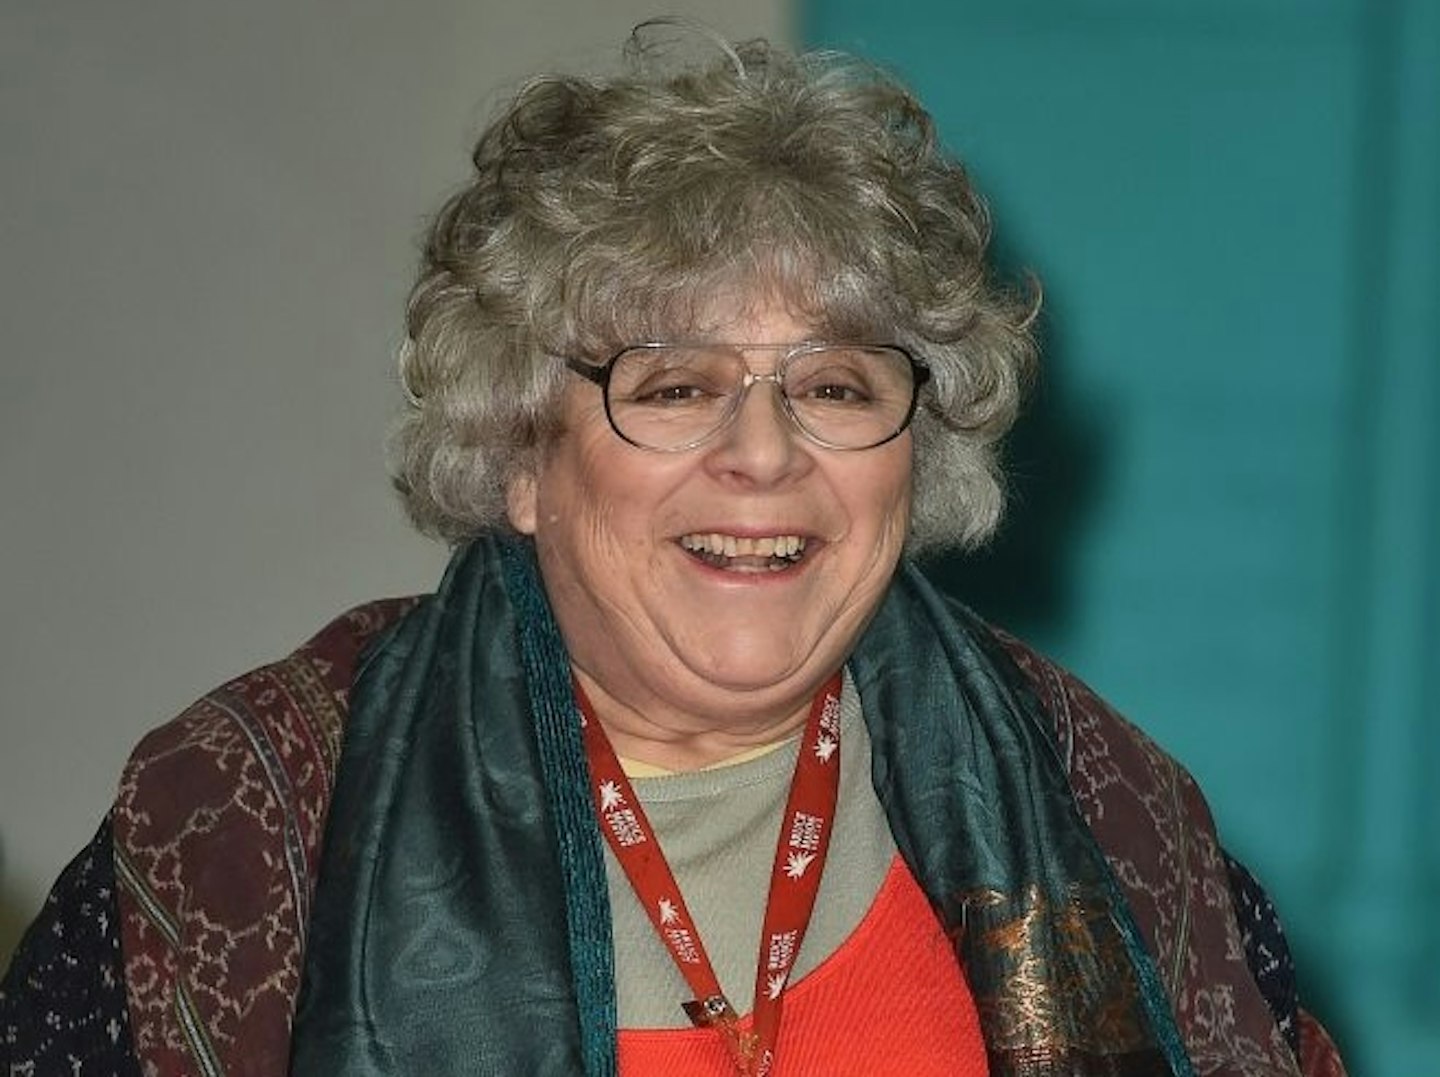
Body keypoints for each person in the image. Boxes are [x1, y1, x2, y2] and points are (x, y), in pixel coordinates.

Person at [0, 26, 1344, 1077]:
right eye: (674, 383)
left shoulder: (1117, 813)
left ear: (912, 446)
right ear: (522, 451)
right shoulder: (244, 824)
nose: (762, 454)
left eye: (833, 385)